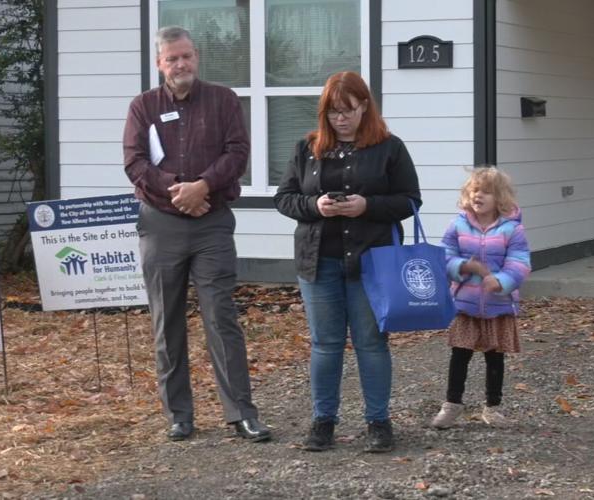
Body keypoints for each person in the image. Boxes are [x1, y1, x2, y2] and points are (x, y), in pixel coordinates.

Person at [123, 26, 270, 443]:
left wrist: (201, 187)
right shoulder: (143, 107)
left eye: (186, 56)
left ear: (197, 56)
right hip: (160, 224)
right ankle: (179, 415)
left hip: (212, 223)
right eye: (172, 58)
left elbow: (238, 152)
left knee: (221, 317)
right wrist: (179, 193)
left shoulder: (223, 100)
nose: (180, 64)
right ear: (159, 63)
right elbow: (134, 162)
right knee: (166, 320)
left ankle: (241, 412)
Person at [274, 71, 421, 453]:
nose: (340, 119)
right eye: (333, 112)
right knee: (326, 344)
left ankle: (378, 422)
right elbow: (284, 198)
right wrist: (315, 206)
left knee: (371, 343)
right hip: (318, 261)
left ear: (365, 107)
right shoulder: (307, 148)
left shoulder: (389, 148)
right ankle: (323, 422)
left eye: (348, 110)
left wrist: (367, 206)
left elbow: (410, 201)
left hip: (371, 262)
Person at [430, 167, 531, 430]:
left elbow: (520, 263)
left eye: (486, 191)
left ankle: (493, 407)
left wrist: (501, 281)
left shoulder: (513, 230)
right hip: (465, 303)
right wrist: (465, 267)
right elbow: (445, 256)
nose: (478, 195)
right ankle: (452, 405)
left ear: (500, 198)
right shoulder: (458, 224)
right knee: (460, 354)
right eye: (474, 190)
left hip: (498, 305)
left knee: (494, 356)